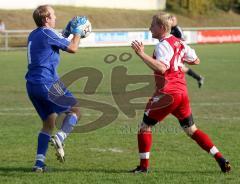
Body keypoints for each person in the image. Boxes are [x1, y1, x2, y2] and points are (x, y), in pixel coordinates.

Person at [130, 12, 231, 173]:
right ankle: (220, 158)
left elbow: (162, 68)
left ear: (162, 27)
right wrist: (179, 59)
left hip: (167, 93)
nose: (150, 28)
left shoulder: (162, 45)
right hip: (182, 93)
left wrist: (141, 53)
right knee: (192, 130)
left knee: (144, 127)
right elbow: (196, 60)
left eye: (153, 25)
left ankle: (143, 168)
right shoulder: (180, 43)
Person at [25, 5, 87, 172]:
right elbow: (73, 48)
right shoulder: (47, 32)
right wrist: (78, 32)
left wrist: (68, 30)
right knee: (75, 111)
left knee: (49, 122)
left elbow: (56, 39)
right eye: (53, 15)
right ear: (46, 19)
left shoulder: (35, 33)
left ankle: (39, 164)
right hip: (48, 82)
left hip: (32, 85)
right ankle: (60, 137)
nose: (55, 17)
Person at [170, 15, 204, 88]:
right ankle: (198, 78)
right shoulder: (169, 29)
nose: (171, 21)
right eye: (170, 20)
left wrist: (175, 43)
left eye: (173, 20)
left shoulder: (177, 29)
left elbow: (182, 40)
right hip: (173, 52)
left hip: (179, 52)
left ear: (176, 21)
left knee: (177, 67)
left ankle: (175, 85)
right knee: (181, 68)